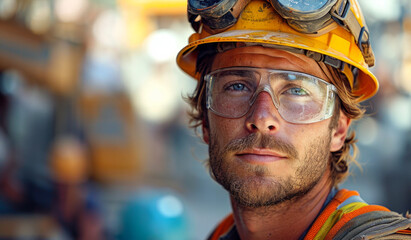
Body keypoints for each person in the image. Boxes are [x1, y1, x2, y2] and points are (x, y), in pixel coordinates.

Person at [176, 0, 411, 239]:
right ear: (205, 119)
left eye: (296, 90)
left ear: (338, 129)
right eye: (237, 86)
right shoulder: (221, 234)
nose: (261, 117)